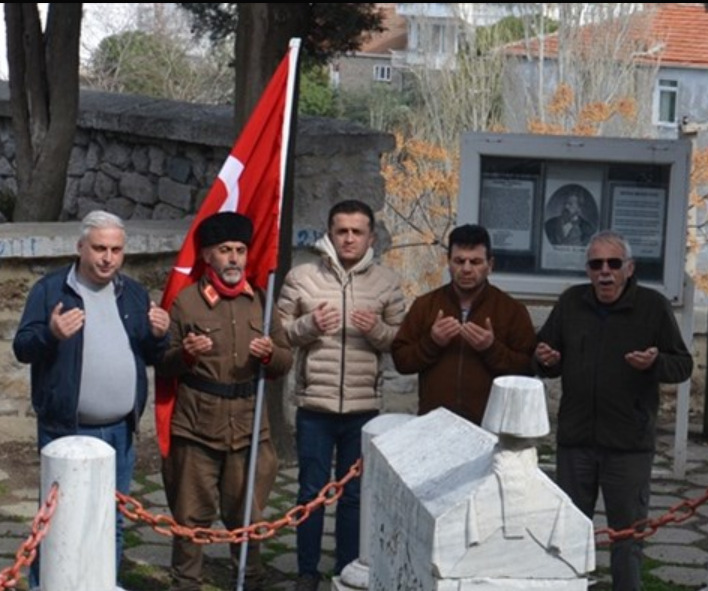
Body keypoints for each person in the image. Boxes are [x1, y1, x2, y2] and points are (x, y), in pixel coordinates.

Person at [13, 210, 169, 577]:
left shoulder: (132, 292)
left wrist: (161, 335)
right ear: (80, 247)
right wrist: (50, 333)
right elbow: (22, 348)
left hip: (120, 430)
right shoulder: (51, 290)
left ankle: (101, 581)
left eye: (116, 250)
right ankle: (46, 585)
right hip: (67, 428)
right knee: (57, 519)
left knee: (109, 519)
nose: (107, 258)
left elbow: (149, 353)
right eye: (99, 248)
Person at [534, 230, 692, 591]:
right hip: (576, 442)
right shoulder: (572, 302)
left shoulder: (652, 307)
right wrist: (546, 359)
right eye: (596, 264)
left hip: (628, 444)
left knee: (627, 537)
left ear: (629, 268)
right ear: (588, 270)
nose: (604, 271)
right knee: (569, 534)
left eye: (613, 263)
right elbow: (546, 354)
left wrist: (654, 363)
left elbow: (682, 365)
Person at [156, 211, 293, 591]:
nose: (234, 258)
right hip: (197, 428)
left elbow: (286, 359)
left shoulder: (261, 301)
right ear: (207, 256)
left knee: (247, 517)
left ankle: (248, 581)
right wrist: (184, 354)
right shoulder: (185, 303)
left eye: (240, 250)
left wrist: (270, 354)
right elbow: (162, 364)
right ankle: (185, 583)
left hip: (249, 430)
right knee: (190, 518)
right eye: (224, 251)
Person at [276, 199, 406, 591]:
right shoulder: (301, 276)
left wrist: (377, 332)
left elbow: (399, 342)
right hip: (315, 404)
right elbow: (280, 333)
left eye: (357, 231)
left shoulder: (387, 282)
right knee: (310, 491)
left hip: (363, 408)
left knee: (355, 496)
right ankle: (306, 571)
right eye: (341, 231)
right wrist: (308, 325)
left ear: (371, 236)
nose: (349, 238)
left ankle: (348, 569)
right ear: (329, 233)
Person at [390, 224, 536, 423]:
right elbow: (401, 361)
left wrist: (491, 348)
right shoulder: (426, 305)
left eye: (475, 262)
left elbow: (527, 369)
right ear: (448, 262)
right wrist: (432, 342)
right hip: (433, 424)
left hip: (489, 424)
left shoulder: (511, 310)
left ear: (490, 265)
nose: (466, 269)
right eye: (459, 261)